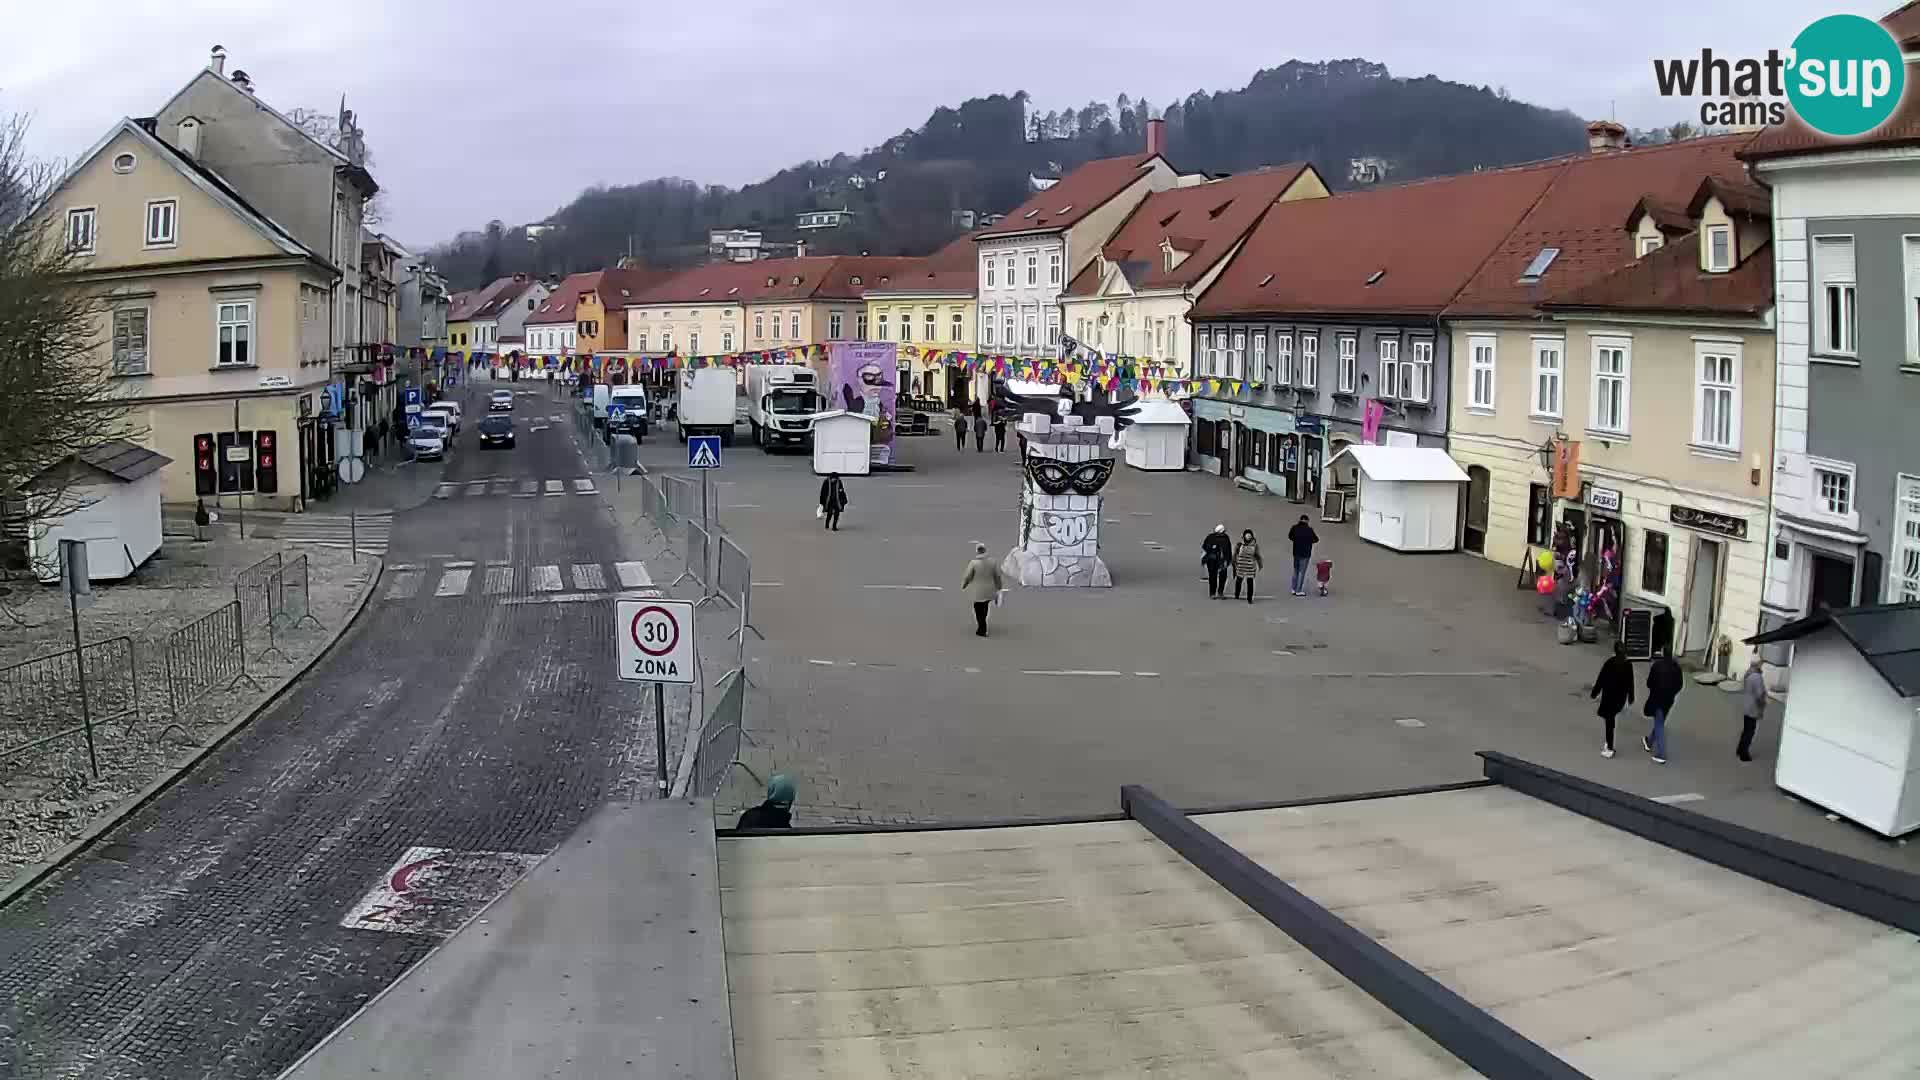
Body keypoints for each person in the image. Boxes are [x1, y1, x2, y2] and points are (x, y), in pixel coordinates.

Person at [1589, 642, 1635, 758]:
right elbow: (1630, 682)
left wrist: (1594, 693)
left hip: (1609, 697)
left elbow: (1601, 679)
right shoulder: (1628, 664)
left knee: (1609, 722)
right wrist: (1631, 697)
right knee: (1611, 719)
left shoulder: (1609, 663)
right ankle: (1609, 743)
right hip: (1620, 698)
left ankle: (1609, 748)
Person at [1643, 646, 1684, 764]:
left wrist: (1654, 689)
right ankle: (1649, 742)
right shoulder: (1677, 667)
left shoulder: (1657, 666)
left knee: (1659, 724)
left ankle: (1661, 754)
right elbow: (1680, 685)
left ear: (1662, 653)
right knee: (1660, 721)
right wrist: (1672, 693)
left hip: (1657, 699)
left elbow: (1649, 683)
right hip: (1669, 700)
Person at [961, 542, 1004, 637]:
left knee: (978, 608)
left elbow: (968, 576)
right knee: (985, 607)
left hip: (977, 591)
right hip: (989, 590)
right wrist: (999, 587)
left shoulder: (973, 563)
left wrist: (964, 584)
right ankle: (983, 625)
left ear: (977, 551)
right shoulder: (993, 562)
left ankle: (982, 628)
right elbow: (997, 576)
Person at [1738, 655, 1766, 762]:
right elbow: (1759, 695)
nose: (1762, 665)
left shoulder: (1748, 673)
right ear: (1758, 664)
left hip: (1746, 705)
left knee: (1746, 730)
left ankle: (1740, 749)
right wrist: (1762, 706)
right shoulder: (1757, 677)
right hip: (1753, 708)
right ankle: (1744, 754)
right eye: (1761, 663)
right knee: (1750, 732)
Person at [1286, 515, 1319, 596]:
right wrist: (1309, 542)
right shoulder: (1309, 530)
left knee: (1296, 570)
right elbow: (1316, 539)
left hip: (1296, 552)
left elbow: (1290, 536)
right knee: (1302, 572)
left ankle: (1293, 588)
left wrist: (1296, 540)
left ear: (1300, 520)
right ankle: (1299, 590)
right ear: (1307, 521)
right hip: (1305, 553)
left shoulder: (1294, 528)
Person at [1201, 524, 1233, 599]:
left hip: (1222, 560)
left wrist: (1228, 559)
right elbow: (1205, 547)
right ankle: (1213, 593)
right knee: (1213, 577)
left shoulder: (1225, 538)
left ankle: (1220, 592)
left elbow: (1228, 549)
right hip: (1212, 561)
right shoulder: (1211, 537)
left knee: (1223, 577)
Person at [1232, 529, 1263, 603]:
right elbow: (1235, 555)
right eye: (1247, 535)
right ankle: (1237, 594)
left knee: (1250, 582)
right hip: (1241, 566)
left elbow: (1258, 556)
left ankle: (1250, 598)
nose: (1248, 537)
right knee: (1239, 581)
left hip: (1250, 567)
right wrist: (1234, 563)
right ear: (1244, 536)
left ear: (1252, 537)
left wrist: (1260, 565)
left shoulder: (1255, 546)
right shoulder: (1239, 545)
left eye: (1249, 535)